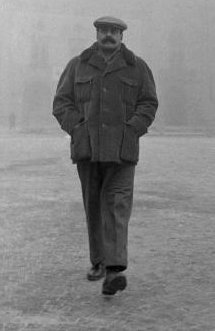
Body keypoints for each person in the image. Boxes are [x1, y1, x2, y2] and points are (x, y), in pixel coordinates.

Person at [52, 16, 158, 295]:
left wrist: (133, 129)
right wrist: (77, 128)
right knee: (94, 206)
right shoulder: (78, 65)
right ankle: (98, 261)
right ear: (97, 33)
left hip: (123, 152)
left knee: (117, 206)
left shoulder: (137, 67)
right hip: (88, 150)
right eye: (104, 31)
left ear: (122, 37)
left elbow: (148, 103)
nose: (109, 35)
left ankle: (113, 270)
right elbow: (61, 103)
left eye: (114, 32)